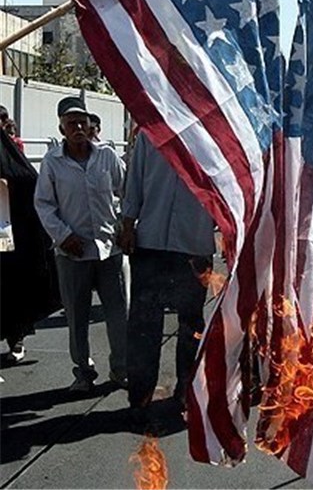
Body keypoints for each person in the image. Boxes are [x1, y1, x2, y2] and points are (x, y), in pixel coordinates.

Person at [34, 96, 128, 392]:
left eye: (82, 122)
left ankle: (121, 370)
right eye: (71, 123)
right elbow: (44, 204)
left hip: (109, 250)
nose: (77, 128)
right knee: (77, 317)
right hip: (72, 253)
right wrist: (63, 236)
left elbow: (126, 192)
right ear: (61, 128)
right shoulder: (52, 162)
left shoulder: (107, 157)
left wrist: (125, 226)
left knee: (118, 314)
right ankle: (84, 373)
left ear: (90, 126)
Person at [118, 132, 215, 412]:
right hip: (151, 242)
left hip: (194, 245)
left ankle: (186, 391)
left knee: (191, 325)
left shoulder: (211, 135)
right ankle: (140, 398)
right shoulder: (149, 134)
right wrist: (127, 225)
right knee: (143, 325)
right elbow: (135, 182)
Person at [0, 128, 61, 364]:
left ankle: (16, 339)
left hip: (8, 239)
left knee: (11, 290)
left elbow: (27, 182)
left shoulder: (11, 162)